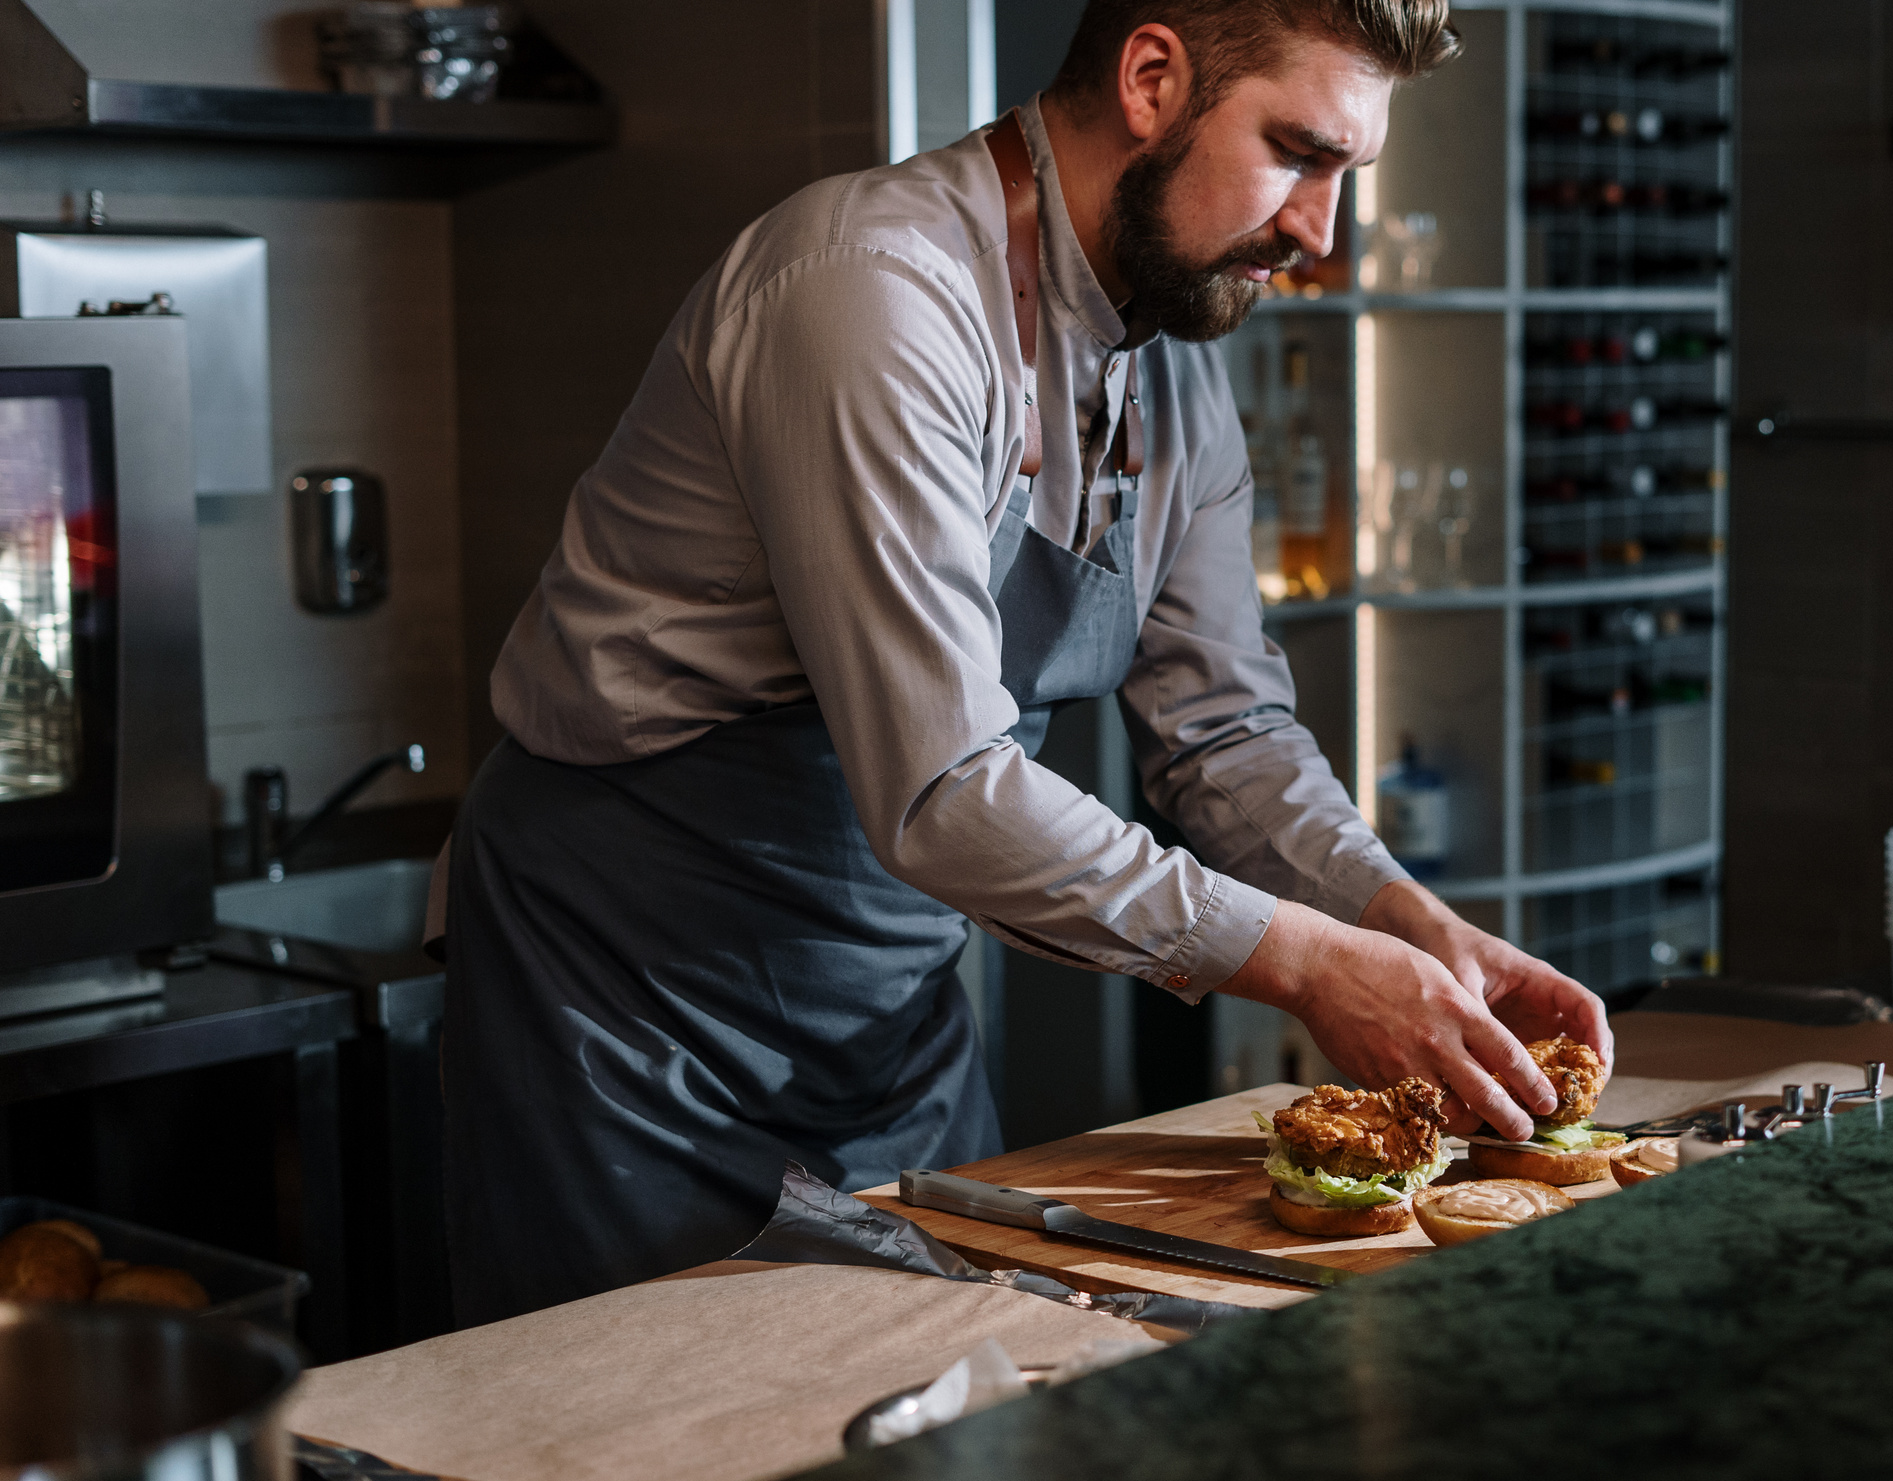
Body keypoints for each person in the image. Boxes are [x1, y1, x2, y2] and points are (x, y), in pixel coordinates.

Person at [438, 0, 1611, 1326]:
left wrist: (1394, 916)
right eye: (1299, 153)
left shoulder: (1172, 364)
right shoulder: (869, 293)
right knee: (635, 1475)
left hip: (889, 1011)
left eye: (1345, 174)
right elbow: (942, 793)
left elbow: (1224, 731)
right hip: (631, 1012)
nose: (1317, 231)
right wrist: (1305, 967)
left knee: (948, 1439)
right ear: (1152, 79)